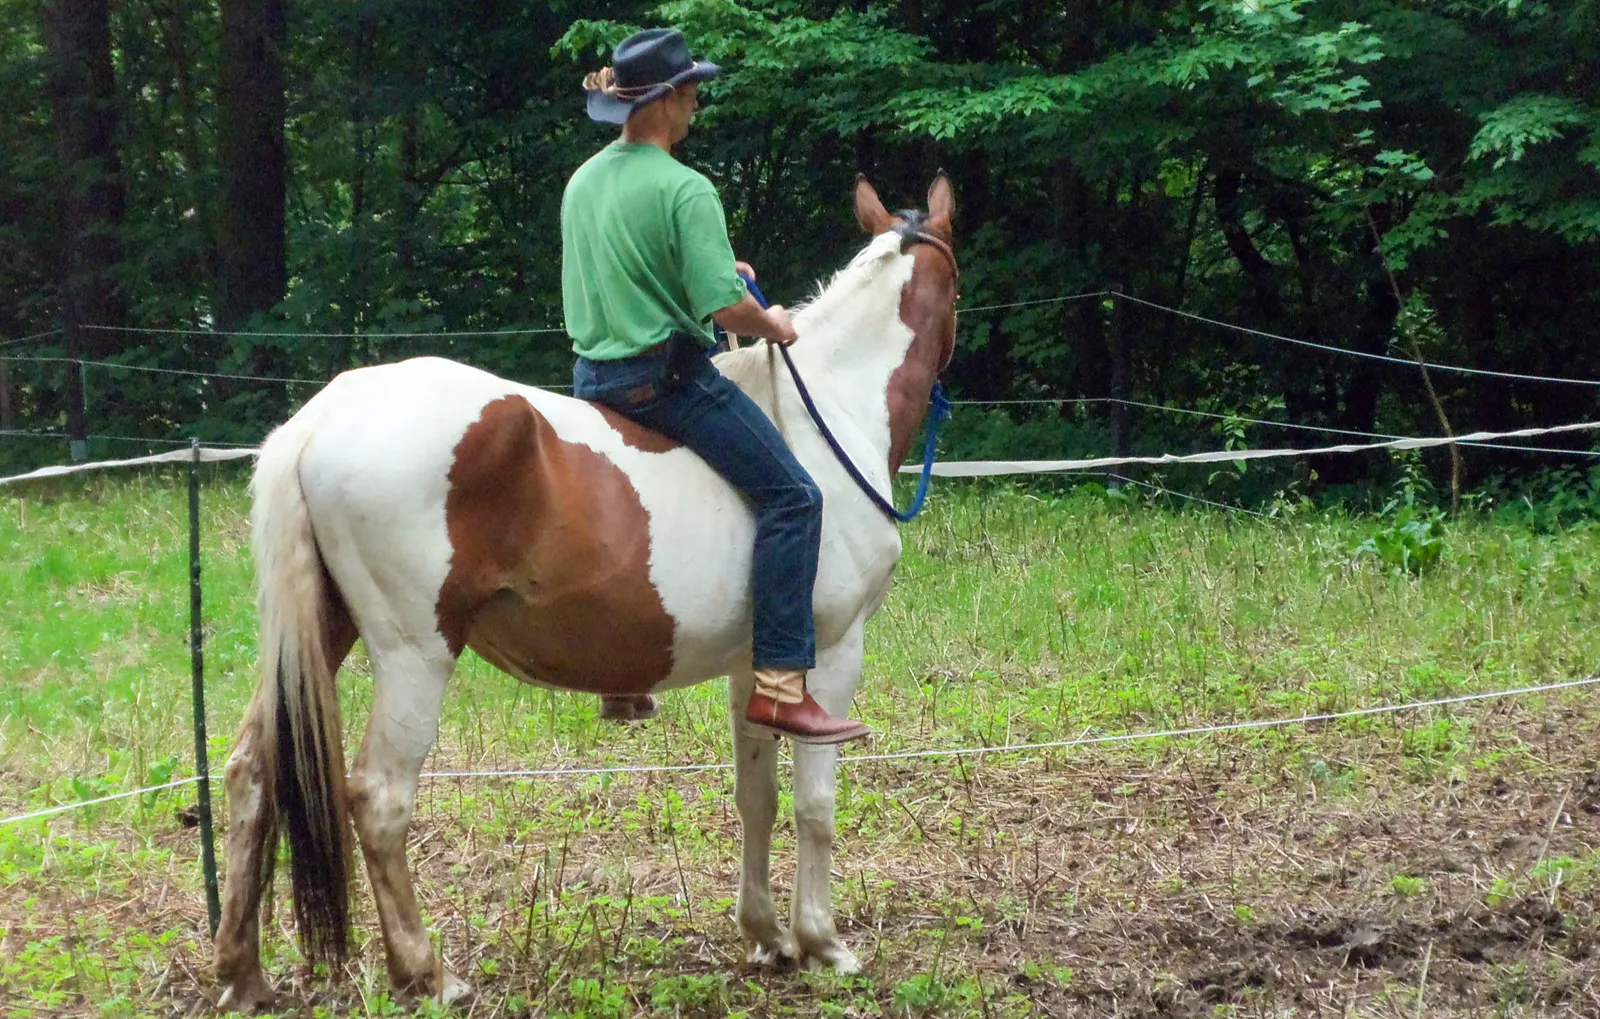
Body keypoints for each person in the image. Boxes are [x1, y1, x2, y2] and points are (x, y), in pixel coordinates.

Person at [562, 27, 870, 745]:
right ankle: (783, 687)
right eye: (692, 93)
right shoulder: (685, 187)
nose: (697, 105)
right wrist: (775, 322)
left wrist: (710, 266)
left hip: (590, 381)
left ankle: (621, 672)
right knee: (794, 496)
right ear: (665, 102)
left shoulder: (584, 182)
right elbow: (725, 310)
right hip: (661, 382)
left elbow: (624, 270)